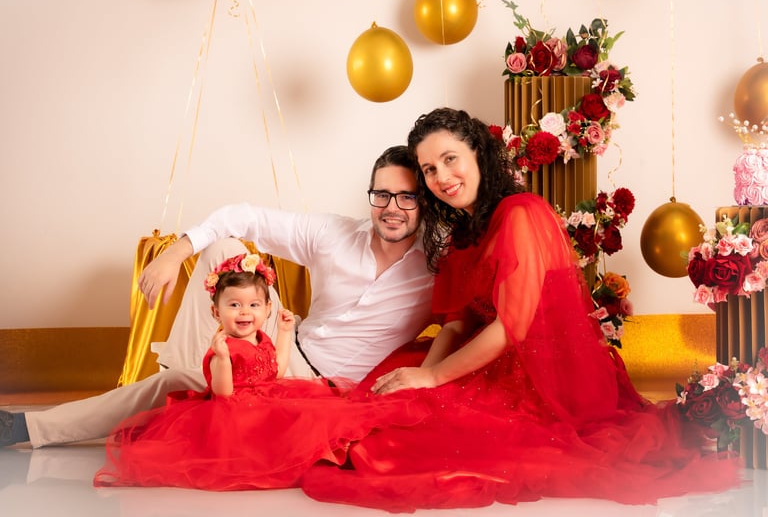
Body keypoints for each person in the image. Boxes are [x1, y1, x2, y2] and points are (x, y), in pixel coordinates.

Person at [299, 107, 743, 512]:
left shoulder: (520, 214)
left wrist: (434, 377)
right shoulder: (461, 237)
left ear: (477, 154)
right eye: (430, 169)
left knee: (400, 448)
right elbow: (454, 327)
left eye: (450, 159)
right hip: (487, 356)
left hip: (544, 374)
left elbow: (511, 327)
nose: (441, 177)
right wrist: (421, 384)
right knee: (392, 403)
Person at [0, 145, 433, 448]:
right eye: (382, 194)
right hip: (284, 337)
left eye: (406, 196)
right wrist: (176, 251)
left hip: (320, 386)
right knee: (223, 246)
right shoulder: (334, 233)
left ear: (424, 201)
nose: (392, 207)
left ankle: (173, 393)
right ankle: (184, 382)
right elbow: (238, 216)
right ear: (371, 196)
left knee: (170, 385)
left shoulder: (436, 266)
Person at [94, 254, 420, 490]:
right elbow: (222, 393)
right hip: (237, 411)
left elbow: (275, 369)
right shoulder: (224, 347)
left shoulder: (261, 337)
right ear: (216, 311)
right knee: (278, 437)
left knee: (321, 412)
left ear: (267, 309)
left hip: (270, 396)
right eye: (234, 305)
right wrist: (220, 358)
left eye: (253, 305)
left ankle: (346, 454)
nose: (244, 312)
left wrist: (283, 333)